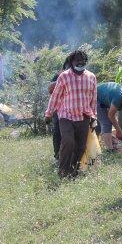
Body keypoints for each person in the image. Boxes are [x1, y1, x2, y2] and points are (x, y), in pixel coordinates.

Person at [45, 50, 98, 179]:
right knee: (68, 142)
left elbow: (93, 99)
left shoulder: (91, 77)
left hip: (84, 116)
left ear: (85, 61)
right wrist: (49, 114)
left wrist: (94, 117)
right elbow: (55, 96)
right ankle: (63, 171)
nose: (80, 62)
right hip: (66, 115)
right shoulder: (64, 76)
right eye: (77, 60)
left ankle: (73, 172)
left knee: (80, 147)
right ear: (71, 62)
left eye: (82, 60)